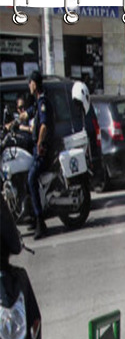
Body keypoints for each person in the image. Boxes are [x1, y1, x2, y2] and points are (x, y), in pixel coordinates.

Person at [27, 71, 53, 240]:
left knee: (31, 179)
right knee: (26, 180)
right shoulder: (37, 102)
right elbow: (27, 114)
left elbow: (43, 126)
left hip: (44, 150)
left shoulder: (43, 102)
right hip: (39, 149)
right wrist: (12, 123)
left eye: (29, 83)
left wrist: (39, 143)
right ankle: (32, 215)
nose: (28, 86)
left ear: (34, 84)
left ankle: (40, 221)